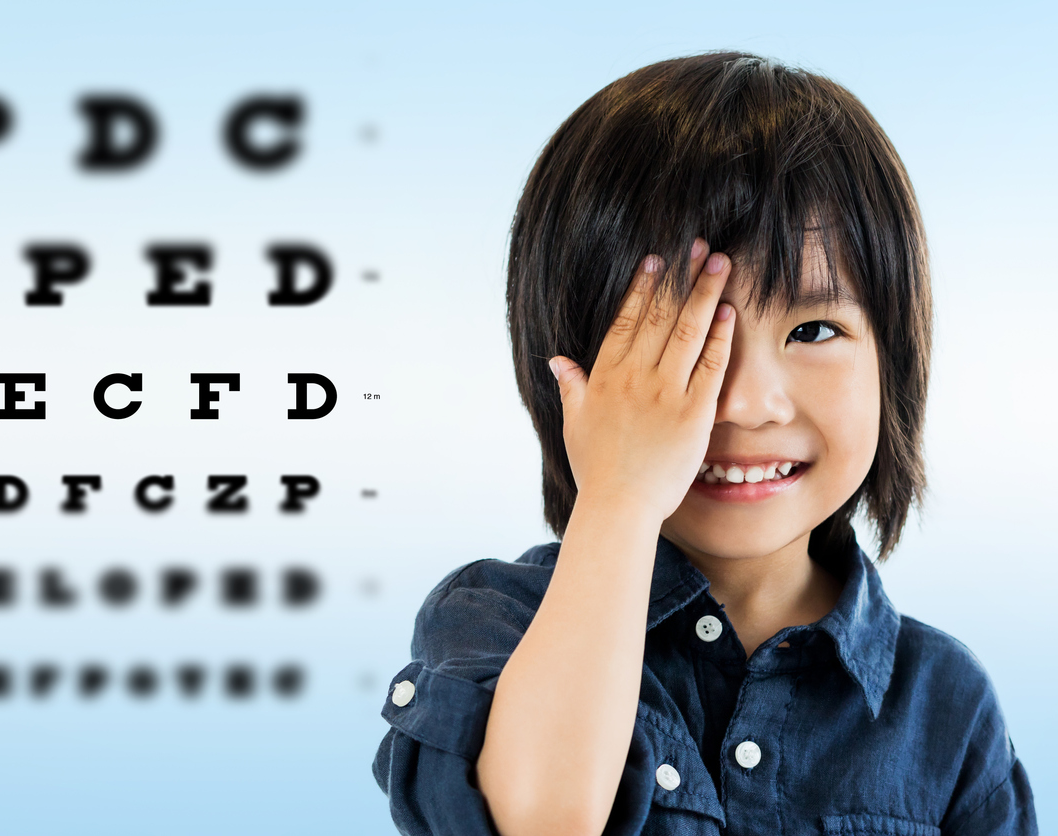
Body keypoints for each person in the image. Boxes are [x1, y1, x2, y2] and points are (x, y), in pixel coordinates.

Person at [370, 51, 1037, 835]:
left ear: (897, 361)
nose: (750, 403)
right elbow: (543, 822)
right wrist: (619, 495)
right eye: (677, 341)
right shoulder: (496, 623)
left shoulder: (944, 704)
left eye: (814, 329)